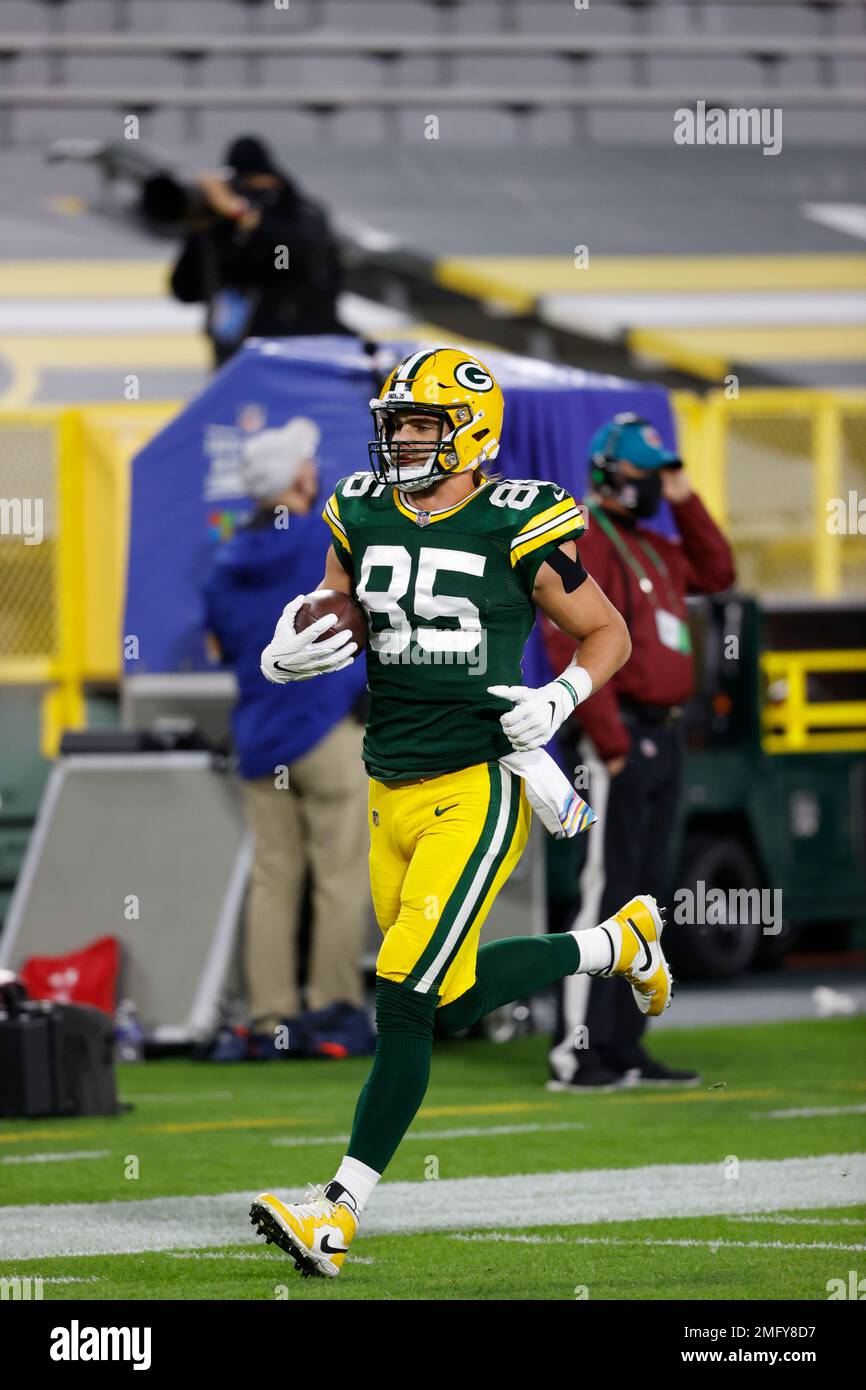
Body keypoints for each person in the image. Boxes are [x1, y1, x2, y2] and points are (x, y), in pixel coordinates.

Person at [248, 348, 675, 1278]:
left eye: (420, 424)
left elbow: (609, 632)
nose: (400, 438)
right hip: (385, 784)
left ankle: (337, 1211)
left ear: (471, 431)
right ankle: (617, 945)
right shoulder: (360, 505)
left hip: (476, 785)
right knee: (440, 998)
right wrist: (297, 639)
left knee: (401, 997)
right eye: (395, 422)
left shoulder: (518, 519)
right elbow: (345, 603)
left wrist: (561, 699)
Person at [543, 412, 737, 1091]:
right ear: (608, 474)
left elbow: (718, 570)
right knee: (606, 892)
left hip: (665, 732)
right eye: (644, 474)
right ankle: (578, 1049)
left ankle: (626, 1043)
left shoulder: (653, 545)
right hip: (619, 735)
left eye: (658, 474)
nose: (652, 485)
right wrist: (612, 740)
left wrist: (685, 498)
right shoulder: (587, 539)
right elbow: (567, 641)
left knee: (644, 898)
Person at [202, 416, 370, 1056]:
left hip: (259, 738)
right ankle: (332, 1010)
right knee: (338, 879)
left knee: (274, 881)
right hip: (326, 732)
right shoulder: (318, 544)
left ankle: (270, 1017)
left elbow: (224, 647)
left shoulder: (224, 563)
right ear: (299, 478)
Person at [170, 135, 347, 367]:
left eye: (257, 187)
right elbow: (186, 289)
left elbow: (289, 260)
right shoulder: (224, 227)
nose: (251, 196)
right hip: (234, 358)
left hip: (298, 353)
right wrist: (200, 230)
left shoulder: (300, 213)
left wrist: (244, 216)